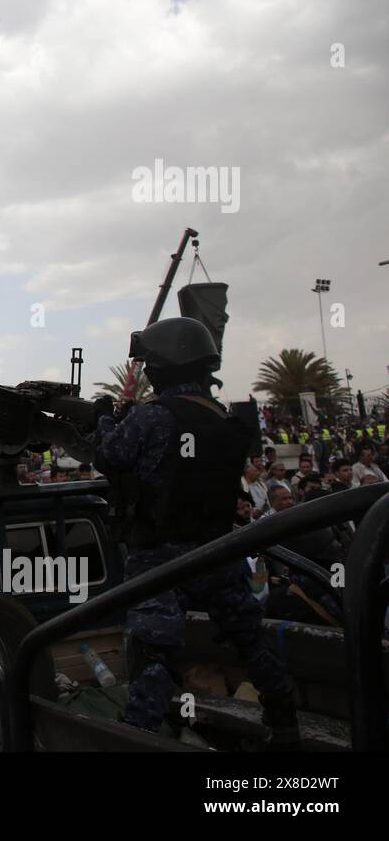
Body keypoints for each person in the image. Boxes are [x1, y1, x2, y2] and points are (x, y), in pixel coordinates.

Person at [94, 317, 297, 746]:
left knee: (155, 658)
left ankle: (137, 738)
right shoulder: (225, 420)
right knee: (252, 643)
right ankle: (285, 721)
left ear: (161, 367)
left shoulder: (153, 417)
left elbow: (111, 456)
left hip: (161, 560)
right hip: (218, 553)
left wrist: (104, 421)